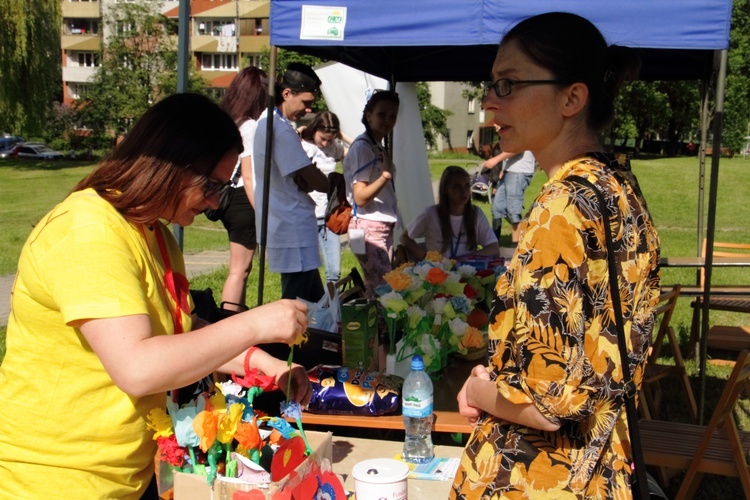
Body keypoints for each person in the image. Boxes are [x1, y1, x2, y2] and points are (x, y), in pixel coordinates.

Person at [0, 93, 312, 499]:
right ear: (171, 168)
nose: (216, 202)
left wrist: (261, 362)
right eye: (211, 186)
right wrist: (253, 323)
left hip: (126, 476)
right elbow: (138, 367)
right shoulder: (88, 232)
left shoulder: (155, 234)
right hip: (56, 479)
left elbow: (180, 329)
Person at [451, 12, 660, 499]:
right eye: (491, 84)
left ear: (572, 97)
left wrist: (479, 389)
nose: (489, 101)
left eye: (508, 84)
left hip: (540, 477)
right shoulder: (618, 186)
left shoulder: (560, 208)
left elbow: (548, 405)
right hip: (603, 465)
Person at [253, 63, 328, 302]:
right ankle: (279, 342)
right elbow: (312, 179)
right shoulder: (280, 129)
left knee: (314, 302)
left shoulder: (271, 122)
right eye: (305, 102)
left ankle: (319, 338)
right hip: (291, 224)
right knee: (294, 304)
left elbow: (298, 176)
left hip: (288, 220)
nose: (308, 110)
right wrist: (333, 182)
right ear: (287, 94)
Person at [216, 66, 267, 310]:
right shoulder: (250, 126)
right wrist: (261, 213)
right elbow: (249, 176)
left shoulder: (227, 122)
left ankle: (235, 317)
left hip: (228, 200)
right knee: (239, 270)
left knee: (239, 269)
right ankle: (228, 321)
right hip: (242, 200)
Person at [343, 90, 400, 298]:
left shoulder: (376, 144)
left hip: (381, 226)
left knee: (378, 287)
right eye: (382, 114)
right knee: (384, 291)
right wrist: (385, 176)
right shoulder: (363, 147)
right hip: (369, 227)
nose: (387, 121)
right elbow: (360, 197)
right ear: (369, 115)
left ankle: (373, 329)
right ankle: (380, 330)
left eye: (392, 116)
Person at [400, 165, 499, 260]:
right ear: (445, 189)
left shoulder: (476, 213)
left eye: (466, 186)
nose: (464, 191)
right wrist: (425, 258)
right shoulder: (431, 214)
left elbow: (494, 248)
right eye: (457, 187)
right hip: (438, 273)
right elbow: (404, 237)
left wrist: (468, 258)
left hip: (468, 272)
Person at [300, 111, 348, 283]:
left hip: (329, 218)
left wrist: (341, 135)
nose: (326, 142)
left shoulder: (334, 147)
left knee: (334, 271)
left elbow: (359, 151)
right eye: (323, 138)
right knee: (307, 271)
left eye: (331, 138)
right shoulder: (304, 146)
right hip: (308, 216)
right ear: (314, 129)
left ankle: (332, 307)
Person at [482, 144, 536, 243]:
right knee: (497, 207)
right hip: (509, 171)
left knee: (513, 210)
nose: (495, 127)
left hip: (519, 172)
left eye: (497, 126)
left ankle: (515, 247)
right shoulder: (508, 131)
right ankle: (525, 230)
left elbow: (518, 147)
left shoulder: (519, 129)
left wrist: (495, 159)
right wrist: (504, 169)